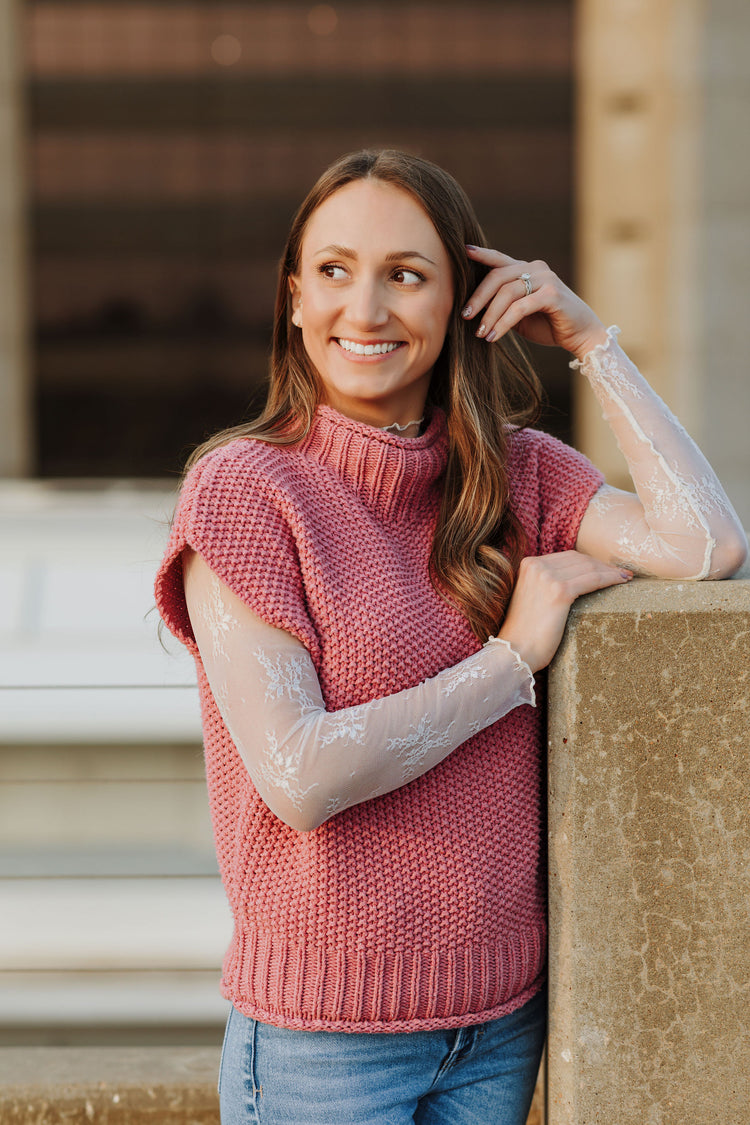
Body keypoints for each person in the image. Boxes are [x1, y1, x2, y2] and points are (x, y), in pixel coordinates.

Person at [155, 149, 747, 1125]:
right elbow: (301, 776)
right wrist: (508, 663)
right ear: (295, 299)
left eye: (408, 274)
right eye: (337, 271)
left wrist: (595, 343)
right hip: (323, 1043)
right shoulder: (246, 494)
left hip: (498, 1027)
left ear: (463, 301)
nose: (368, 309)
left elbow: (710, 544)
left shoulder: (521, 474)